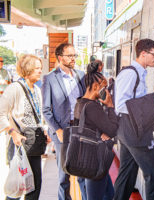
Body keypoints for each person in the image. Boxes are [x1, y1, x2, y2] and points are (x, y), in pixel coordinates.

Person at [113, 39, 154, 200]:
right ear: (143, 54)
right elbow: (120, 105)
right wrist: (149, 102)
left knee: (127, 174)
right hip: (134, 132)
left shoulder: (139, 73)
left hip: (129, 131)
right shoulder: (130, 73)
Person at [42, 43, 87, 200]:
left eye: (74, 55)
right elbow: (46, 110)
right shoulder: (49, 79)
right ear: (60, 58)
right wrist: (58, 130)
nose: (73, 58)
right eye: (70, 55)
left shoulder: (81, 75)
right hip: (63, 131)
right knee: (64, 176)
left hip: (81, 129)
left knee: (83, 173)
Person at [0, 54, 44, 200]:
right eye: (37, 68)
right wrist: (12, 132)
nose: (40, 71)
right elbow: (1, 113)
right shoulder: (14, 88)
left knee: (35, 185)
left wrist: (43, 131)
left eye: (40, 68)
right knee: (18, 185)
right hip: (19, 143)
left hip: (34, 143)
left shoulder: (37, 90)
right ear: (27, 69)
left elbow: (37, 115)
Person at [74, 67, 118, 200]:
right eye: (104, 88)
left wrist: (99, 134)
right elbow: (112, 129)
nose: (106, 91)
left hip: (84, 156)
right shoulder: (93, 107)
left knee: (109, 194)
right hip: (94, 159)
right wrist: (110, 106)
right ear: (95, 86)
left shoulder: (80, 102)